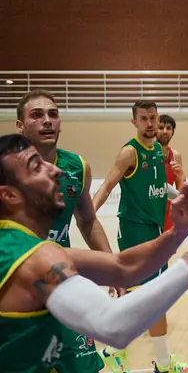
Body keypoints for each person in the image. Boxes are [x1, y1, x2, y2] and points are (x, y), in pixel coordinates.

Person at [0, 133, 188, 372]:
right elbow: (112, 325)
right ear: (9, 195)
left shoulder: (21, 246)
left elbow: (122, 267)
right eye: (37, 167)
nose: (55, 170)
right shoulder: (36, 258)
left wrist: (180, 231)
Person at [14, 89, 112, 372]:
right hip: (17, 290)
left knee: (81, 366)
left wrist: (110, 264)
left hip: (63, 285)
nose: (47, 121)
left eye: (53, 114)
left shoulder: (77, 167)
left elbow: (88, 221)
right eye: (37, 115)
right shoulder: (5, 170)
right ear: (20, 126)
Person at [92, 100, 188, 373]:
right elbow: (108, 184)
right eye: (144, 119)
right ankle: (156, 361)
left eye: (153, 118)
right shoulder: (129, 153)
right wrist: (87, 214)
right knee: (151, 300)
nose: (150, 124)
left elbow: (162, 189)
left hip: (156, 232)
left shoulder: (160, 151)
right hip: (134, 232)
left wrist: (185, 195)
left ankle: (124, 353)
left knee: (148, 299)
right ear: (134, 122)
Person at [157, 114, 186, 233]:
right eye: (161, 127)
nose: (165, 131)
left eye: (168, 128)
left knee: (166, 250)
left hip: (168, 212)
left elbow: (181, 187)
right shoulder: (146, 154)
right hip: (149, 211)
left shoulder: (176, 156)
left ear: (173, 132)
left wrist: (180, 176)